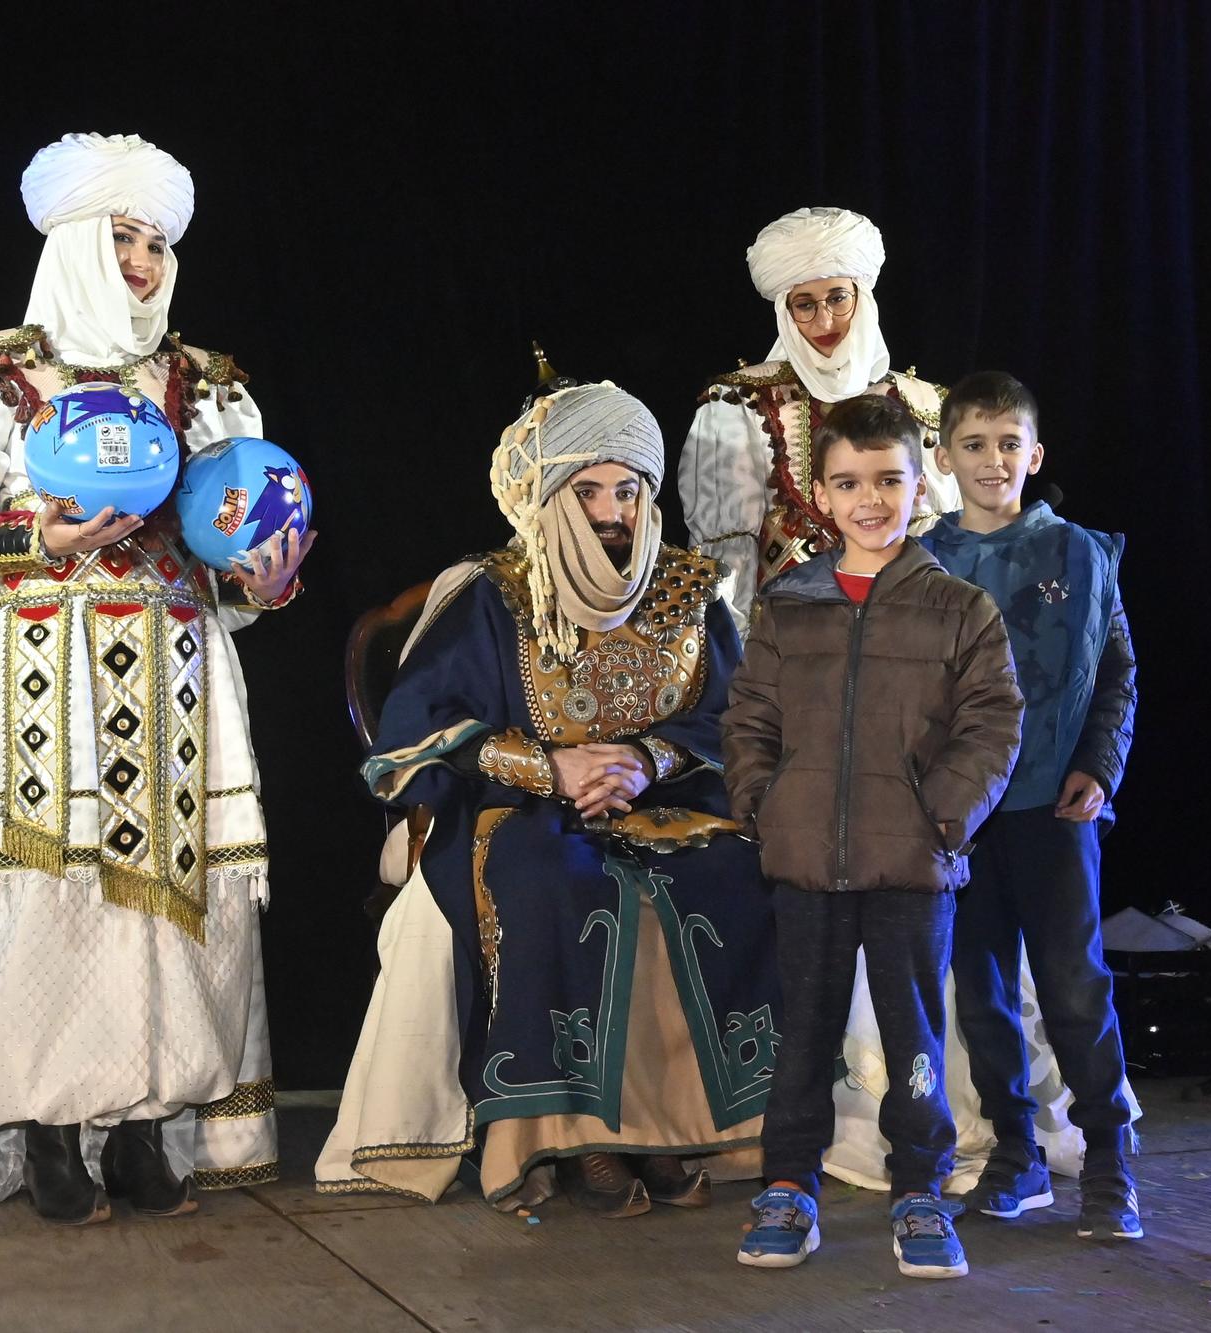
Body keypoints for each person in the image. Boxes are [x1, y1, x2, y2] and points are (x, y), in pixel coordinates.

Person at [0, 133, 310, 1224]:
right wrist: (34, 533)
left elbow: (226, 553)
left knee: (172, 910)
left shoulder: (204, 386)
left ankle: (143, 1131)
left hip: (178, 674)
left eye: (155, 243)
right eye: (122, 238)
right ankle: (47, 1136)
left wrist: (265, 578)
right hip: (41, 673)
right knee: (45, 903)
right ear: (72, 243)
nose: (142, 262)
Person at [317, 382, 780, 1218]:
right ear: (549, 496)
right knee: (556, 881)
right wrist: (551, 769)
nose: (612, 511)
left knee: (730, 876)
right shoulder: (494, 595)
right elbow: (416, 736)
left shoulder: (688, 591)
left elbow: (737, 716)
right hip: (528, 808)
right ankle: (579, 1136)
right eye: (589, 490)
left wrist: (648, 756)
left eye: (629, 489)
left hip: (666, 802)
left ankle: (680, 1127)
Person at [723, 394, 1021, 1278]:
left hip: (913, 864)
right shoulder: (789, 607)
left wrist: (943, 818)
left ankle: (921, 1191)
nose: (871, 499)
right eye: (849, 482)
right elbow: (749, 720)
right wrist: (761, 804)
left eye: (889, 479)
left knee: (916, 1035)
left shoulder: (961, 608)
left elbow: (993, 723)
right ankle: (789, 1186)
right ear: (820, 491)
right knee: (804, 1030)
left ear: (919, 480)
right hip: (805, 861)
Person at [917, 370, 1141, 1241]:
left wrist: (1100, 765)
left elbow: (1116, 670)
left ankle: (1110, 1158)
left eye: (1009, 443)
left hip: (1053, 806)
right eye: (973, 444)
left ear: (1034, 453)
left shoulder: (1081, 553)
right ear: (944, 457)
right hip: (959, 818)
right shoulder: (922, 558)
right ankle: (1015, 1153)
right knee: (980, 992)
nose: (993, 459)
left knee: (1074, 984)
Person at [676, 206, 957, 634]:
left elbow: (944, 544)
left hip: (904, 633)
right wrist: (744, 659)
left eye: (837, 299)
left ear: (862, 297)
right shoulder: (740, 402)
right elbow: (724, 550)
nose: (824, 320)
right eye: (804, 305)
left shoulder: (923, 403)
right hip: (788, 641)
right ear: (785, 313)